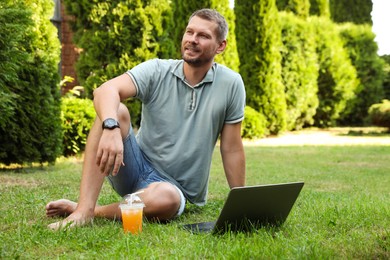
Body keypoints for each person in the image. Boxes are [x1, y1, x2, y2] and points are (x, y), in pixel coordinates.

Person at [46, 8, 246, 230]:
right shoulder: (157, 70)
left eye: (203, 36)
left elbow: (231, 148)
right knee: (116, 111)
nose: (192, 40)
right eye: (189, 32)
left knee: (166, 198)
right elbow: (105, 90)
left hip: (174, 189)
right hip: (134, 166)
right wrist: (111, 127)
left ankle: (95, 211)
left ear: (220, 46)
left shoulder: (231, 84)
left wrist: (241, 202)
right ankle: (83, 211)